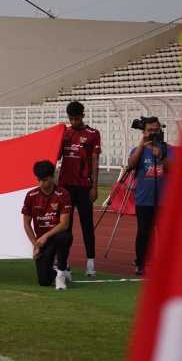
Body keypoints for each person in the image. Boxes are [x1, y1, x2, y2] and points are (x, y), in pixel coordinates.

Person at [58, 101, 101, 276]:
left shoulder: (93, 134)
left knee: (87, 225)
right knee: (64, 226)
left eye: (76, 118)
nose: (74, 122)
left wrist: (94, 187)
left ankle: (90, 262)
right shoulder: (64, 133)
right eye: (71, 119)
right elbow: (58, 155)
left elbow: (94, 161)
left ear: (83, 116)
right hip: (65, 186)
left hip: (84, 185)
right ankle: (64, 262)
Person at [128, 116, 174, 275]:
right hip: (144, 199)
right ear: (143, 132)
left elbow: (175, 170)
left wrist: (160, 156)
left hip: (163, 200)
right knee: (143, 232)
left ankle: (165, 262)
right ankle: (140, 262)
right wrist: (142, 145)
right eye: (149, 130)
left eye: (155, 130)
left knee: (164, 232)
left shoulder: (167, 149)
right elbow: (132, 164)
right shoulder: (137, 150)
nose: (153, 133)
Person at [22, 160, 73, 290]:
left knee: (64, 237)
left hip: (57, 235)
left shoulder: (63, 194)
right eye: (38, 180)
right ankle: (56, 273)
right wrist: (36, 245)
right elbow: (26, 223)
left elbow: (64, 224)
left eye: (45, 180)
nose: (41, 184)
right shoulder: (31, 196)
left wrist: (46, 236)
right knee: (44, 281)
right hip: (43, 242)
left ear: (52, 177)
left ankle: (61, 273)